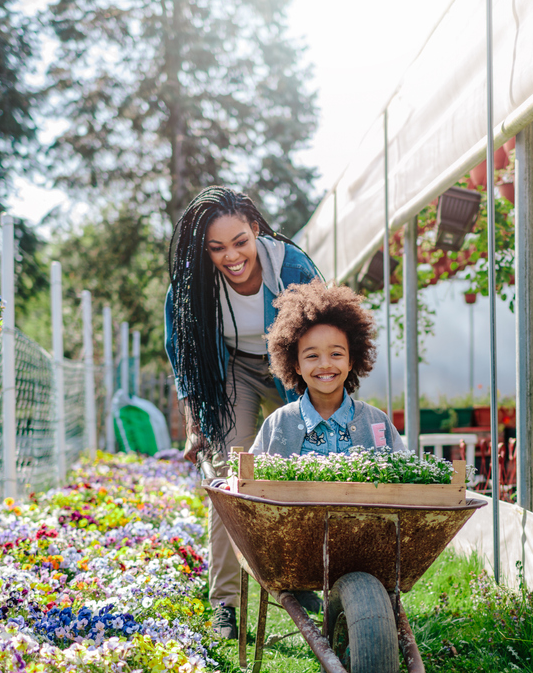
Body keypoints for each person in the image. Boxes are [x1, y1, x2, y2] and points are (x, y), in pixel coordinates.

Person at [164, 186, 322, 639]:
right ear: (203, 249)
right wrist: (196, 425)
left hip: (289, 366)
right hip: (229, 370)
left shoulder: (291, 267)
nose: (231, 256)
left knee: (308, 460)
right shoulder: (192, 285)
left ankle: (298, 577)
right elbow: (184, 356)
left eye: (239, 242)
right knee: (230, 475)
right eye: (216, 248)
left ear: (255, 229)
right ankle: (224, 605)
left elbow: (324, 336)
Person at [252, 280, 404, 458]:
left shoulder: (377, 422)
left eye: (336, 354)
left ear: (351, 360)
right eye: (312, 356)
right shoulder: (277, 423)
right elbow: (247, 478)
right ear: (296, 365)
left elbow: (406, 477)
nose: (325, 364)